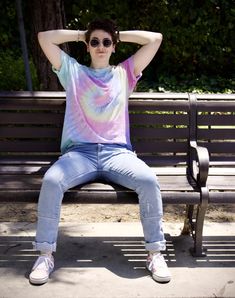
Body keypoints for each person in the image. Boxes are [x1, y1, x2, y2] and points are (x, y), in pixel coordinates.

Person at [29, 19, 171, 285]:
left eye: (107, 42)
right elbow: (44, 38)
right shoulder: (72, 71)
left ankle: (155, 253)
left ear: (114, 46)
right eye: (95, 42)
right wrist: (83, 33)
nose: (101, 46)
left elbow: (156, 38)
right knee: (51, 181)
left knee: (149, 181)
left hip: (117, 154)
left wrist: (117, 34)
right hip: (79, 154)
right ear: (87, 46)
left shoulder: (124, 73)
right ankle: (45, 254)